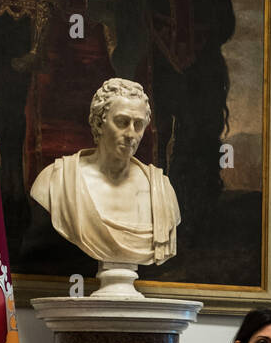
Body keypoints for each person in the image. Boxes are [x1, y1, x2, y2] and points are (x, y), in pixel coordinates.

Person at [29, 78, 181, 266]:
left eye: (138, 125)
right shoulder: (56, 181)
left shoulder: (162, 192)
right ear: (99, 123)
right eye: (122, 122)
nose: (130, 134)